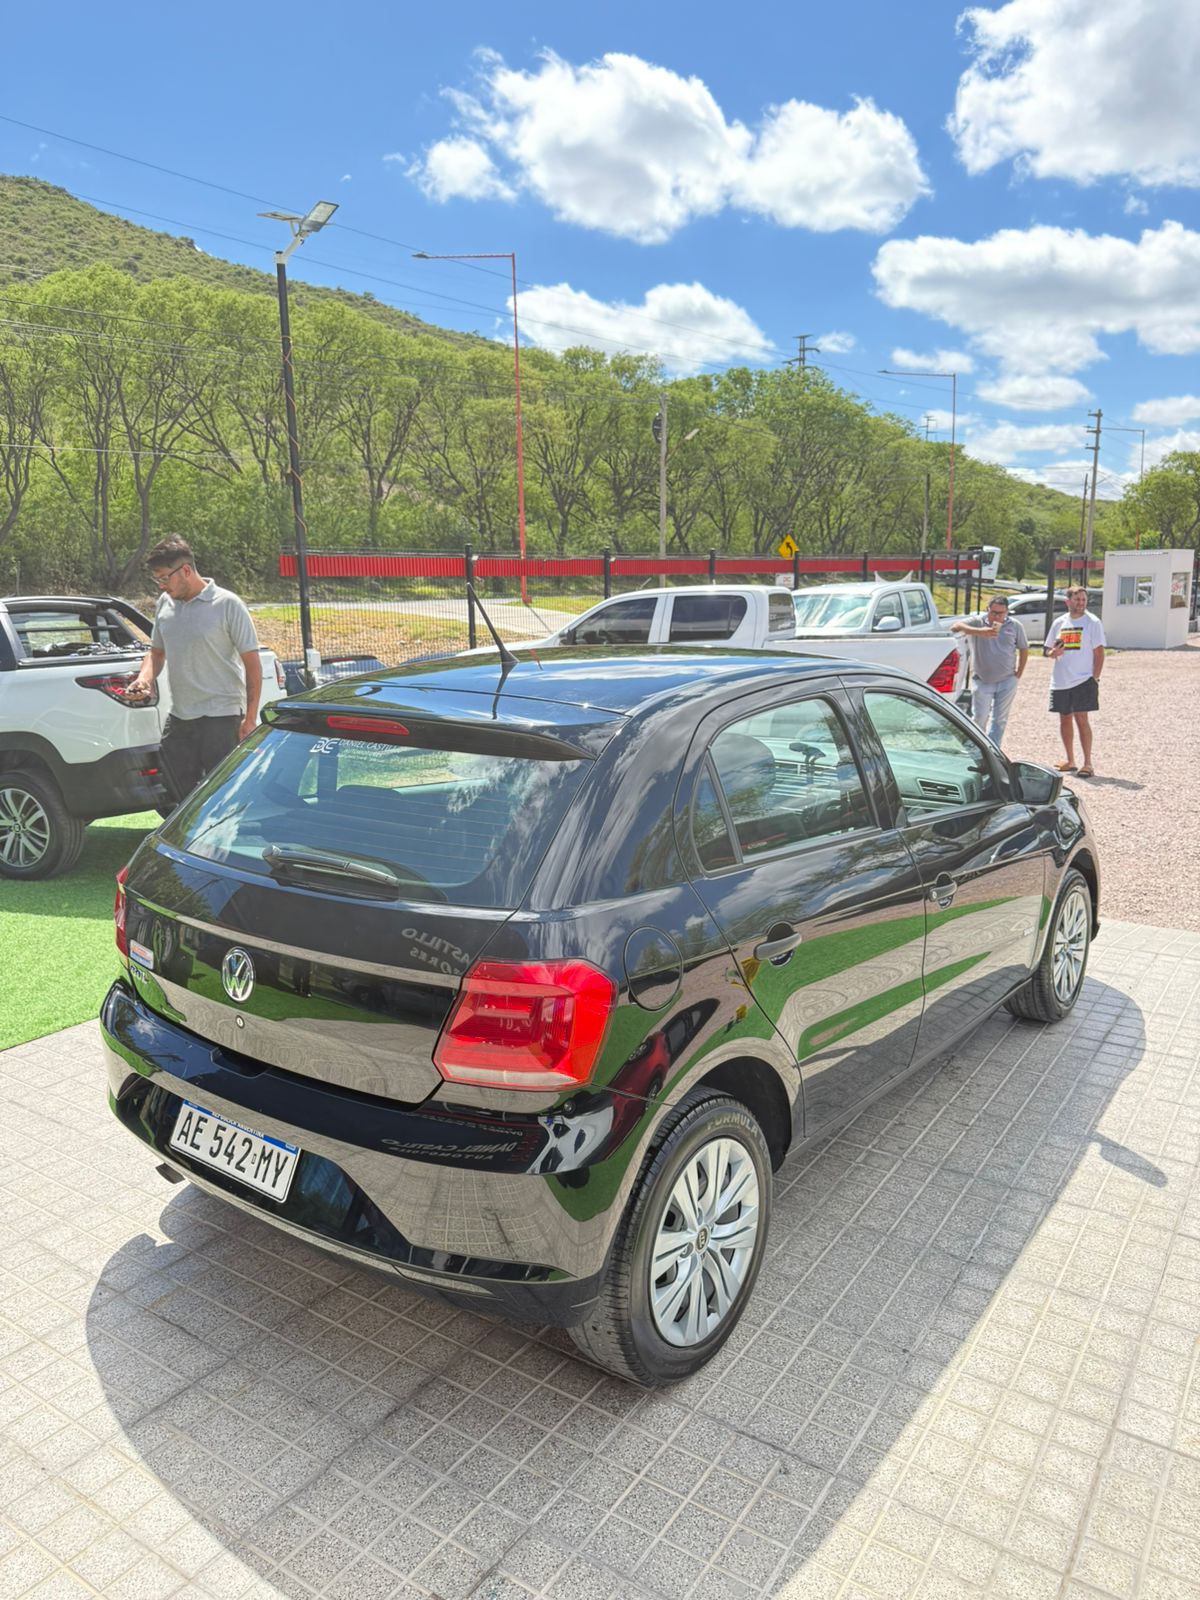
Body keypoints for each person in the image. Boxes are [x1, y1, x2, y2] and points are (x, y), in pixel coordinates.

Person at [129, 537, 262, 805]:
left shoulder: (227, 604)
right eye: (157, 580)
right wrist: (144, 679)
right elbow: (156, 653)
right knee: (177, 797)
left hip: (221, 717)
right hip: (181, 717)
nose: (161, 585)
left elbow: (252, 664)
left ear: (186, 570)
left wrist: (250, 719)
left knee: (224, 798)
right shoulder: (165, 603)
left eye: (164, 578)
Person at [950, 594, 1029, 747]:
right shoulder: (978, 622)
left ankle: (993, 751)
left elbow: (1024, 648)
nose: (996, 617)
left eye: (1000, 613)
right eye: (993, 612)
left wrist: (1019, 673)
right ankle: (977, 749)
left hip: (1007, 680)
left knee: (1000, 720)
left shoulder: (1015, 626)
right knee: (980, 717)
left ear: (1007, 612)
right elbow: (955, 626)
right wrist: (979, 632)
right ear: (988, 609)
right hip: (982, 679)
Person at [1044, 584, 1105, 777]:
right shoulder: (1059, 622)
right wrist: (1053, 653)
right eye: (1077, 599)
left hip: (1083, 679)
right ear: (1068, 601)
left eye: (1083, 600)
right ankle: (1070, 760)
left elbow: (1099, 653)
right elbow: (1048, 649)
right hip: (1061, 680)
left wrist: (1094, 678)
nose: (1081, 603)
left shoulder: (1093, 622)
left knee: (1082, 719)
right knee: (1064, 719)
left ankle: (1088, 763)